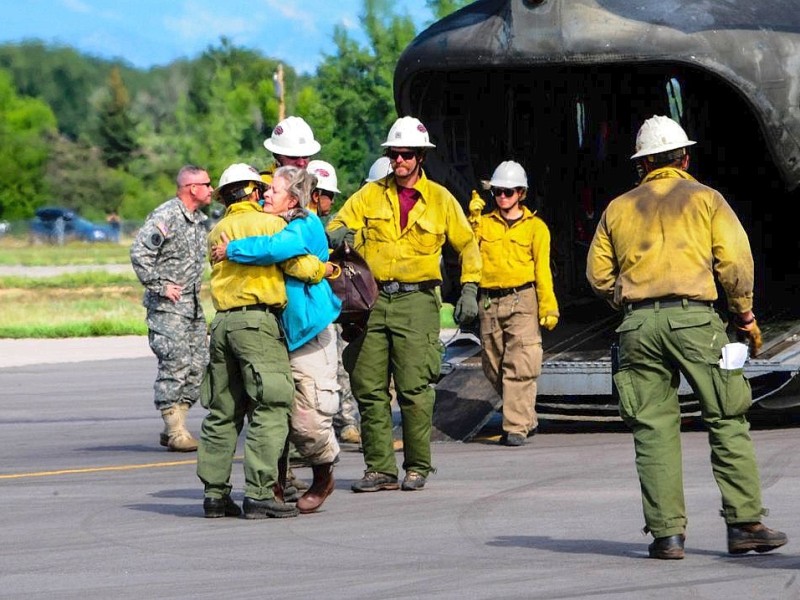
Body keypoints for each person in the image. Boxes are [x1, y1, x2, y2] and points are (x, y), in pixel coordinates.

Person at [586, 115, 787, 559]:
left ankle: (667, 536)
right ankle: (744, 524)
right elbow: (734, 262)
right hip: (696, 322)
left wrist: (630, 299)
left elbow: (598, 275)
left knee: (653, 429)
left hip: (637, 326)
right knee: (727, 418)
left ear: (642, 165)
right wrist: (745, 316)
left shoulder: (618, 208)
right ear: (685, 157)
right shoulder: (706, 200)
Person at [326, 116, 482, 492]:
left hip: (418, 301)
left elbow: (467, 245)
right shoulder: (369, 195)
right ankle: (379, 468)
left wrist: (470, 288)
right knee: (369, 386)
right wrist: (336, 234)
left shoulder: (441, 199)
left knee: (415, 388)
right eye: (394, 155)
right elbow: (335, 225)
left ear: (420, 158)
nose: (399, 161)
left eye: (406, 155)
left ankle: (417, 465)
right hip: (372, 301)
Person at [197, 163, 327, 519]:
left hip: (222, 324)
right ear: (254, 191)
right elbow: (300, 266)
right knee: (272, 404)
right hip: (257, 324)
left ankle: (214, 494)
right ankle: (258, 493)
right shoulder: (272, 225)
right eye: (263, 190)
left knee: (223, 411)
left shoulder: (217, 231)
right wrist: (324, 269)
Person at [467, 160, 559, 446]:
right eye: (497, 192)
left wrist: (548, 307)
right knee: (493, 365)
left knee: (520, 363)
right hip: (489, 302)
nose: (502, 197)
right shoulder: (482, 224)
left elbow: (543, 270)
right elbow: (468, 256)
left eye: (508, 192)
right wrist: (470, 225)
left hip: (523, 299)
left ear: (521, 193)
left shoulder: (537, 229)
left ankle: (516, 426)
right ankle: (526, 416)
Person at [130, 165, 213, 452]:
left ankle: (176, 424)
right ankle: (175, 429)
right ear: (192, 188)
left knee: (199, 365)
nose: (211, 189)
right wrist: (159, 286)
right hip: (168, 308)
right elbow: (140, 252)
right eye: (207, 184)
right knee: (174, 364)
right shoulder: (166, 216)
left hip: (192, 307)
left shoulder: (198, 221)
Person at [307, 159, 363, 445]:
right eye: (326, 194)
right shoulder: (302, 223)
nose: (329, 201)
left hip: (339, 304)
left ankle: (348, 420)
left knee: (343, 365)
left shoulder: (340, 224)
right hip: (313, 306)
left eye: (331, 195)